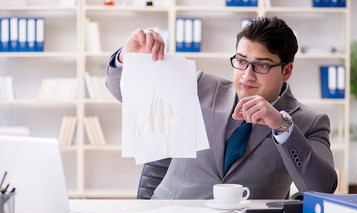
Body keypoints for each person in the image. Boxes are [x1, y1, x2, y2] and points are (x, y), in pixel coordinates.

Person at [105, 16, 338, 199]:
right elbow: (127, 94)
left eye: (261, 66)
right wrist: (128, 56)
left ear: (286, 71)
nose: (247, 75)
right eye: (241, 61)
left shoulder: (309, 121)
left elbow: (322, 187)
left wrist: (282, 126)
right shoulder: (201, 87)